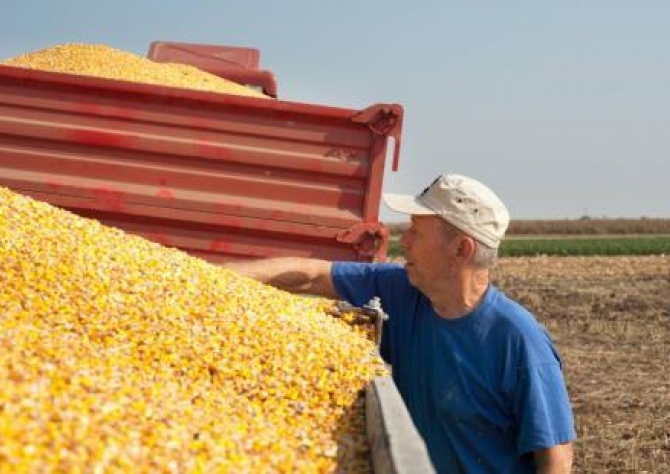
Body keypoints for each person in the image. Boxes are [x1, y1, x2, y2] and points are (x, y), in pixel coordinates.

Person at [224, 173, 576, 473]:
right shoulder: (404, 292)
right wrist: (194, 276)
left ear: (461, 249)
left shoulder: (518, 340)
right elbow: (310, 277)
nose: (402, 241)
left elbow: (556, 460)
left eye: (416, 231)